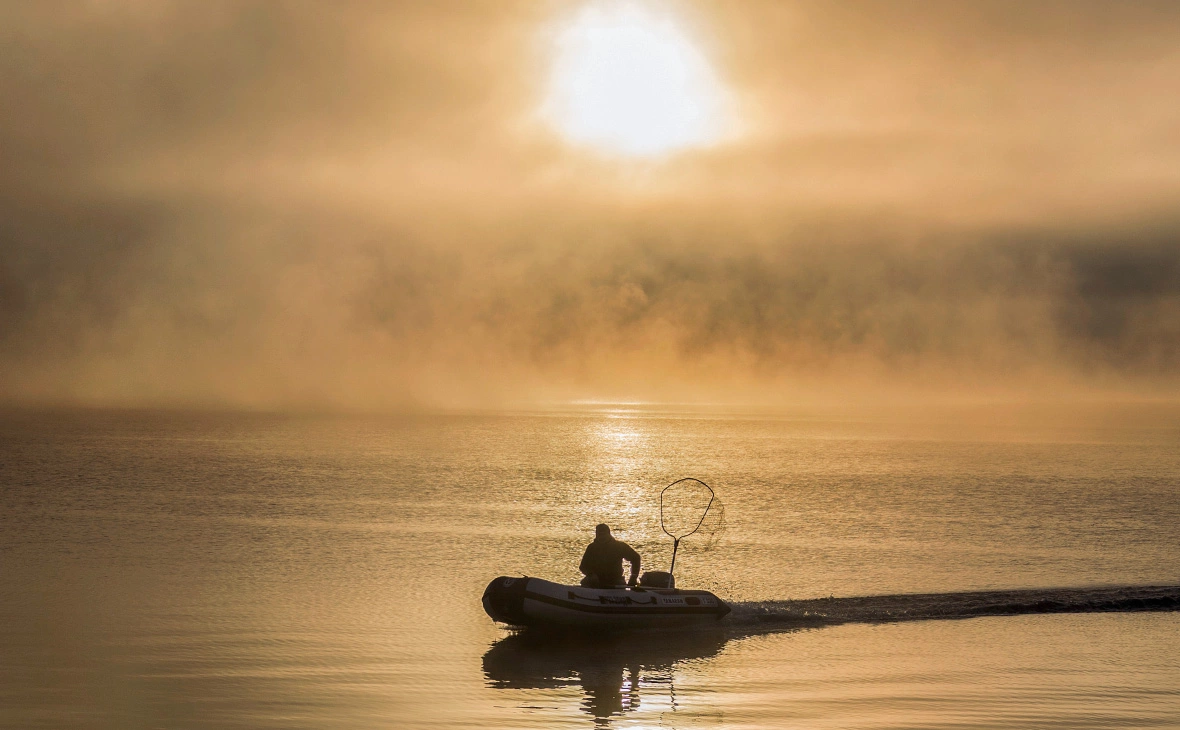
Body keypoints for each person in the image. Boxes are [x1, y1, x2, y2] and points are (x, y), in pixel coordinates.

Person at [579, 523, 641, 588]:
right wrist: (590, 574)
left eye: (604, 534)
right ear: (596, 534)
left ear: (609, 534)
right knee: (585, 582)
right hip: (596, 581)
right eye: (599, 534)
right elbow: (583, 566)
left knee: (619, 583)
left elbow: (636, 558)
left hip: (615, 580)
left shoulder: (619, 546)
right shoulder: (592, 547)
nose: (602, 537)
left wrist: (633, 577)